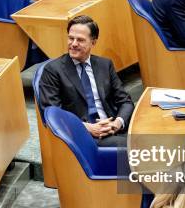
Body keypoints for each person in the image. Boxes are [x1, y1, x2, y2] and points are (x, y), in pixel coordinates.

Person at [39, 15, 134, 147]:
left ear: (93, 42)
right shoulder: (53, 70)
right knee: (141, 149)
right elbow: (54, 114)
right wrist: (89, 128)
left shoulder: (104, 65)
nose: (73, 44)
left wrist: (117, 123)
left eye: (80, 40)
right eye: (71, 38)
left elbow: (125, 101)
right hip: (81, 135)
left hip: (112, 129)